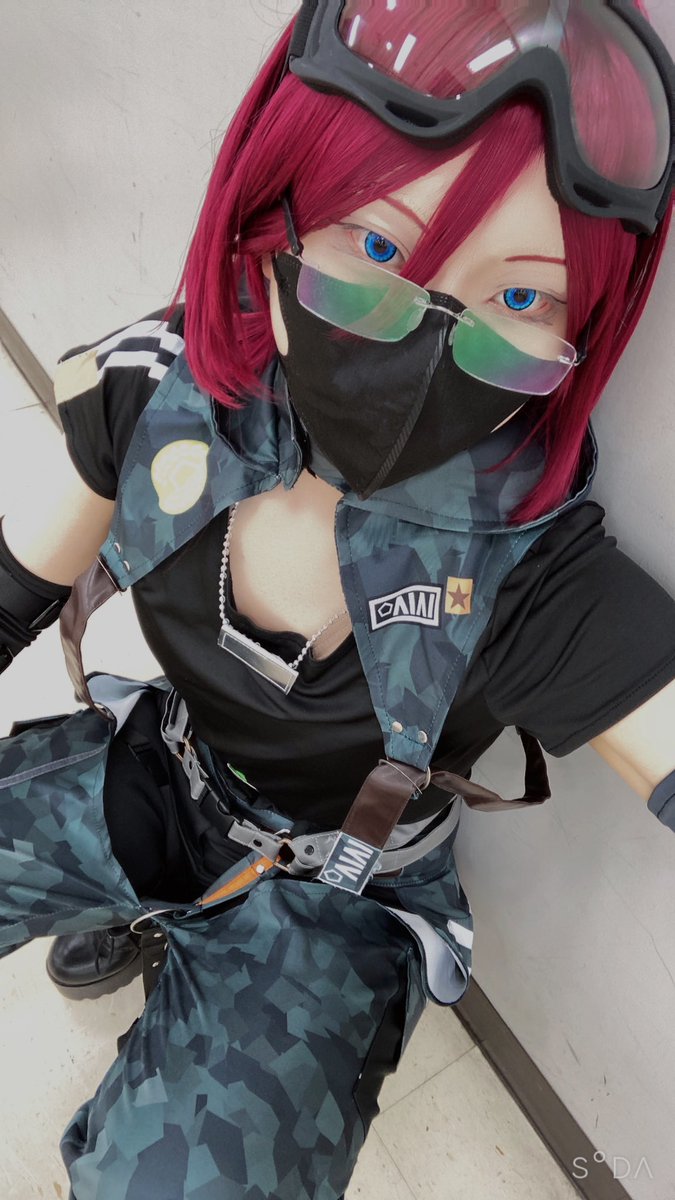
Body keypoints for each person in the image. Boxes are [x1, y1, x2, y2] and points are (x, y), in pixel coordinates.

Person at [1, 2, 674, 1197]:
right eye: (377, 249)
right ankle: (154, 906)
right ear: (272, 226)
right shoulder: (161, 398)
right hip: (159, 773)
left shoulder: (529, 570)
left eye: (521, 305)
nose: (426, 344)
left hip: (340, 894)